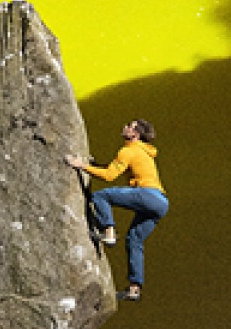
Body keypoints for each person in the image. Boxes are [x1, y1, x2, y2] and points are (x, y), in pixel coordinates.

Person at [65, 120, 168, 301]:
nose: (125, 126)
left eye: (130, 125)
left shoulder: (128, 150)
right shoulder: (143, 151)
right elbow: (115, 168)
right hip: (161, 202)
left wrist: (81, 165)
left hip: (147, 194)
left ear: (135, 134)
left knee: (101, 196)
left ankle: (109, 231)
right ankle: (134, 288)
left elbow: (109, 176)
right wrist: (95, 165)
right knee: (134, 240)